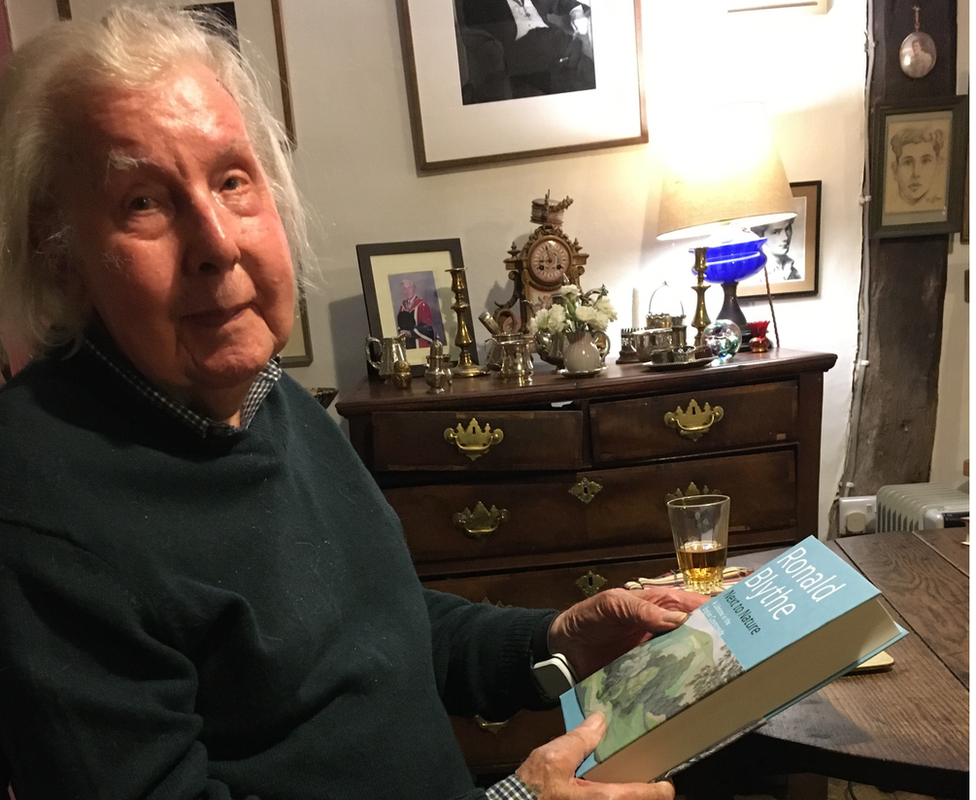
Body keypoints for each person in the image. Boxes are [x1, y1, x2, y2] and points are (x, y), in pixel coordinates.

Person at [0, 7, 704, 799]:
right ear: (59, 256)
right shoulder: (40, 507)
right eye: (142, 202)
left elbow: (383, 632)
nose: (217, 242)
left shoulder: (269, 398)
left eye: (232, 179)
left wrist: (557, 640)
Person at [459, 0, 594, 101]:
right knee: (567, 86)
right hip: (522, 50)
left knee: (592, 76)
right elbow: (474, 24)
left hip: (560, 43)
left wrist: (576, 12)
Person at [888, 126, 945, 210]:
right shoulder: (889, 207)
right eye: (908, 162)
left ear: (937, 166)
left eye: (925, 161)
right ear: (895, 169)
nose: (916, 173)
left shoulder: (941, 207)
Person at [396, 278, 436, 349]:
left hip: (420, 343)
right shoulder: (403, 306)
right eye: (404, 289)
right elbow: (399, 324)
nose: (407, 291)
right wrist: (401, 331)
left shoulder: (422, 305)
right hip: (407, 343)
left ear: (414, 289)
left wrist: (411, 333)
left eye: (409, 288)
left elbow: (427, 326)